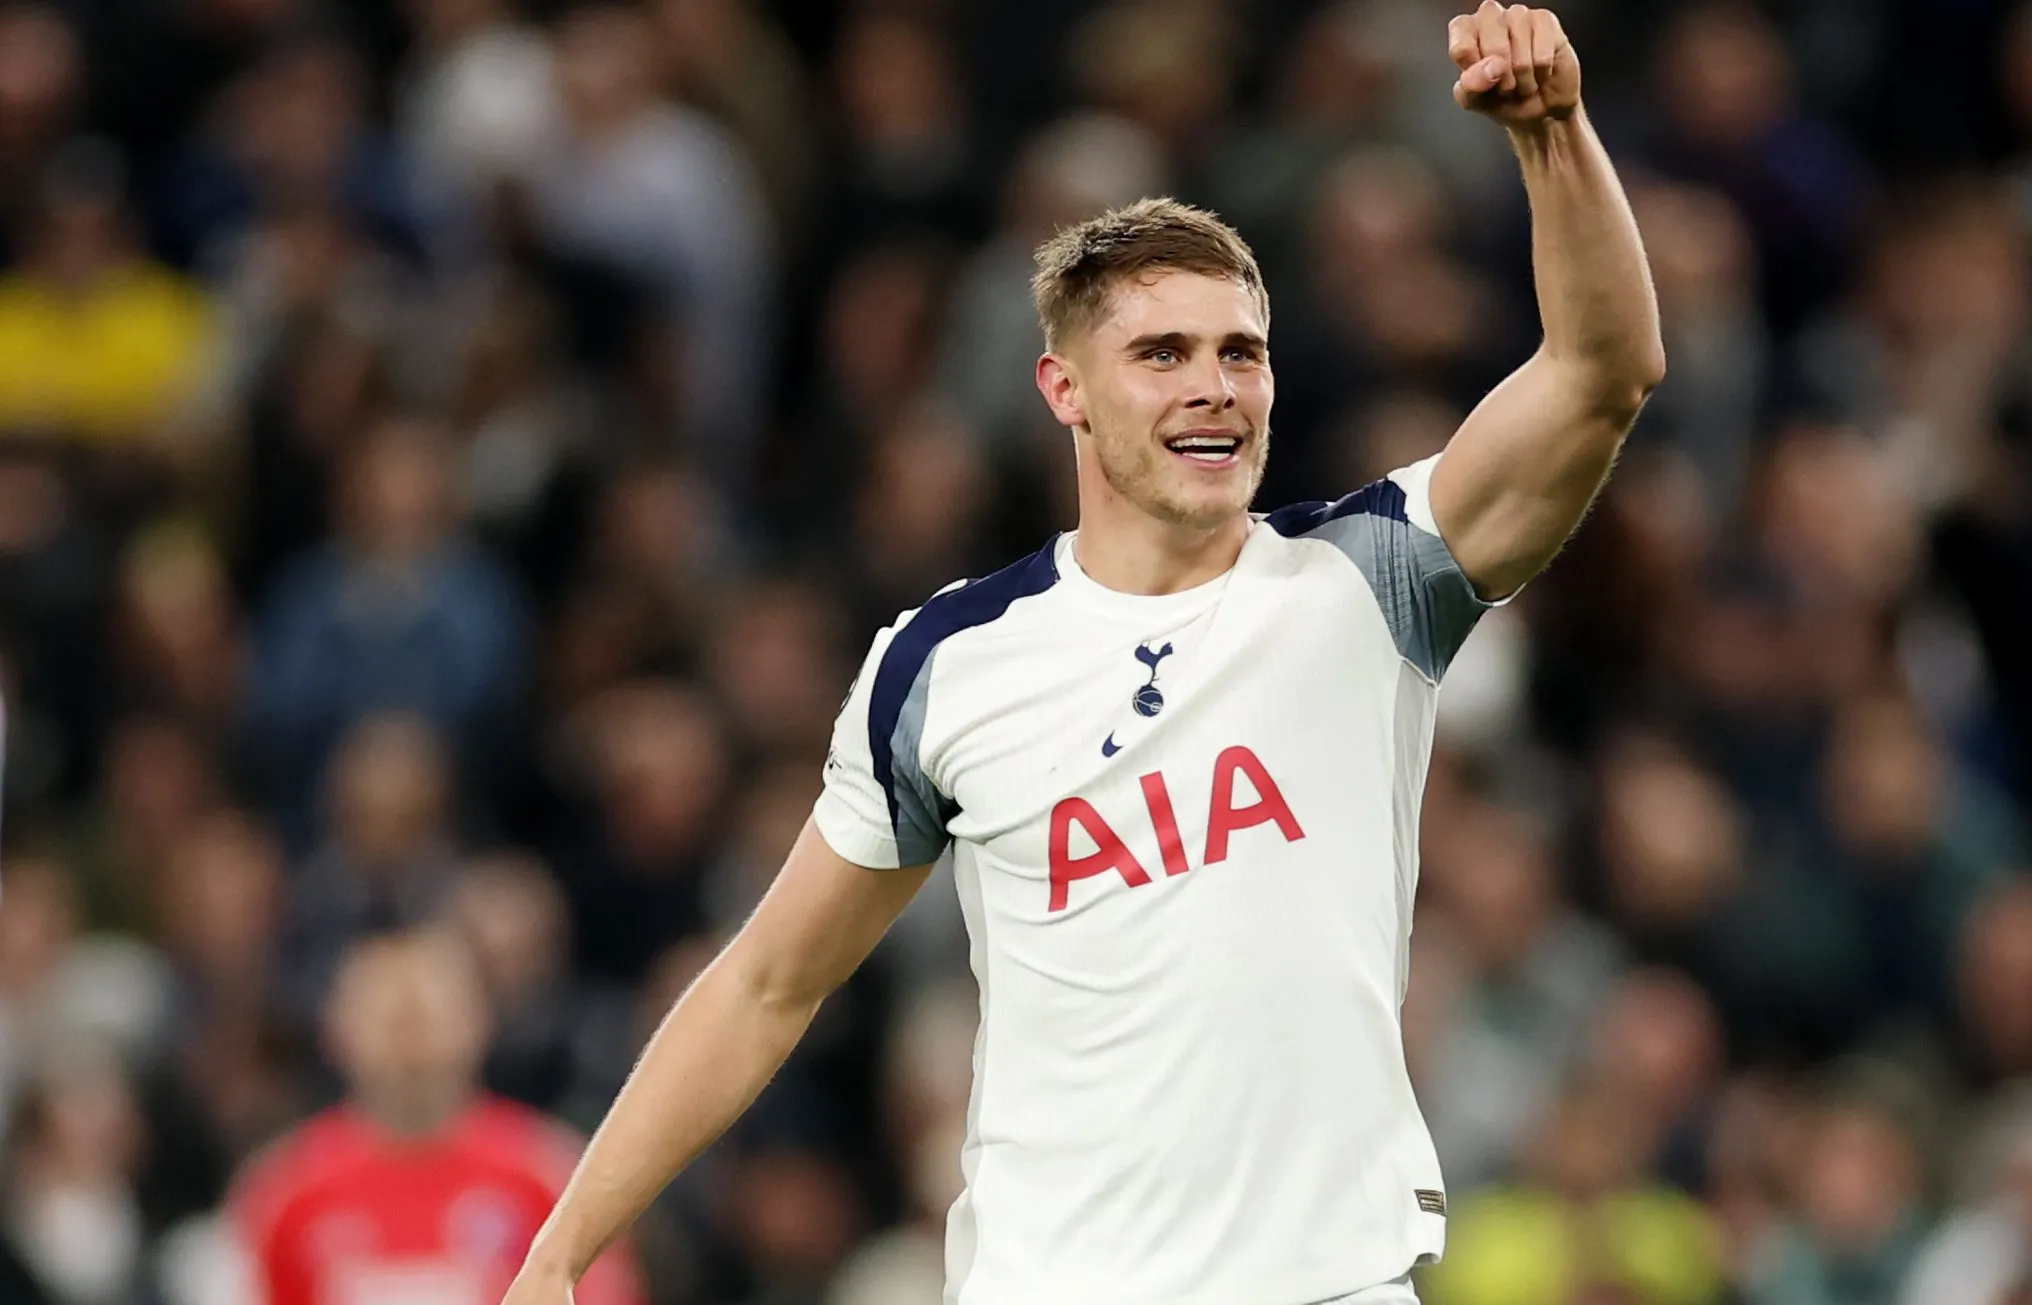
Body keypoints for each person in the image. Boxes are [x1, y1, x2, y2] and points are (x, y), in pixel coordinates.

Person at [503, 4, 1662, 1302]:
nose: (1212, 386)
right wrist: (562, 1248)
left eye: (1239, 353)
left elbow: (1603, 374)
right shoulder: (945, 662)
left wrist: (1555, 138)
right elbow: (767, 984)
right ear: (1064, 389)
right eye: (1161, 354)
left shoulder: (1369, 576)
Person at [230, 931, 643, 1305]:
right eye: (391, 1021)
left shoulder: (551, 1176)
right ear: (337, 1030)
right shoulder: (285, 1191)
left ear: (479, 1021)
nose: (411, 1042)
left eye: (427, 1016)